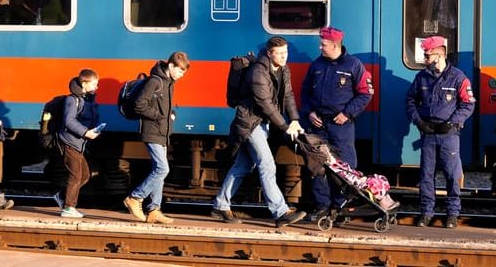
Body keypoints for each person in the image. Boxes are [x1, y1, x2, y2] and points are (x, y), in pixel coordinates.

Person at [211, 36, 307, 228]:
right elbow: (265, 104)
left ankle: (221, 205)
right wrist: (284, 126)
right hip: (250, 123)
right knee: (267, 165)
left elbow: (287, 95)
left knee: (243, 166)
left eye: (285, 52)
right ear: (269, 53)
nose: (284, 57)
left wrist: (295, 119)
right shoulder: (258, 72)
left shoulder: (283, 69)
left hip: (263, 124)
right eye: (279, 53)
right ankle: (280, 212)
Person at [300, 26, 374, 222]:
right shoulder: (316, 65)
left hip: (341, 125)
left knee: (345, 166)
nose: (320, 47)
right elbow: (305, 92)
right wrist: (309, 112)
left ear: (335, 45)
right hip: (317, 125)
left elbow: (365, 93)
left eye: (323, 44)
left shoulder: (354, 65)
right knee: (317, 166)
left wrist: (347, 114)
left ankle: (340, 206)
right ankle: (322, 207)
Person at [406, 36, 475, 228]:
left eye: (427, 56)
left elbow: (468, 104)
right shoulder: (422, 77)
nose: (425, 59)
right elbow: (410, 100)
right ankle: (426, 213)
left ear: (439, 55)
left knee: (452, 175)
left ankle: (452, 214)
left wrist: (453, 122)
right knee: (426, 175)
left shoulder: (458, 77)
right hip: (428, 132)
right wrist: (419, 122)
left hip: (449, 135)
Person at [123, 52, 190, 224]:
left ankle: (154, 210)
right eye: (180, 71)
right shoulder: (155, 81)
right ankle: (135, 198)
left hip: (162, 132)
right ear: (171, 66)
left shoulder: (169, 83)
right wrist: (159, 116)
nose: (181, 75)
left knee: (158, 171)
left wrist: (169, 116)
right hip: (152, 131)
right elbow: (140, 104)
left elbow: (163, 108)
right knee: (162, 169)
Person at [59, 69, 102, 218]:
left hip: (79, 144)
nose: (97, 86)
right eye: (94, 83)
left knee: (85, 175)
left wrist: (95, 129)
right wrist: (85, 132)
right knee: (76, 175)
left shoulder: (87, 99)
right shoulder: (72, 100)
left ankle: (62, 196)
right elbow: (69, 121)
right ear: (84, 83)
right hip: (70, 142)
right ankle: (68, 207)